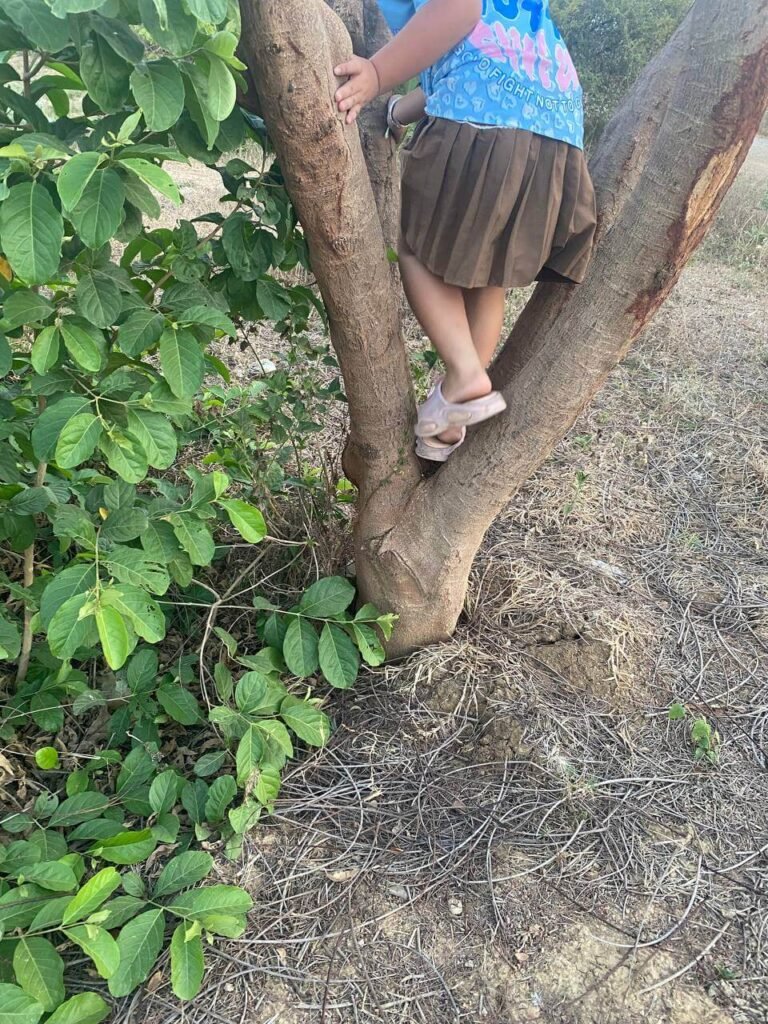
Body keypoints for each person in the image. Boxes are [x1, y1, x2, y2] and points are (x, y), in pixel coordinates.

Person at [334, 0, 597, 461]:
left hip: (482, 116)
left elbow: (457, 10)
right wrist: (396, 112)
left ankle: (464, 376)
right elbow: (462, 52)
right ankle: (450, 419)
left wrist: (377, 73)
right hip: (555, 129)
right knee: (486, 272)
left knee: (416, 246)